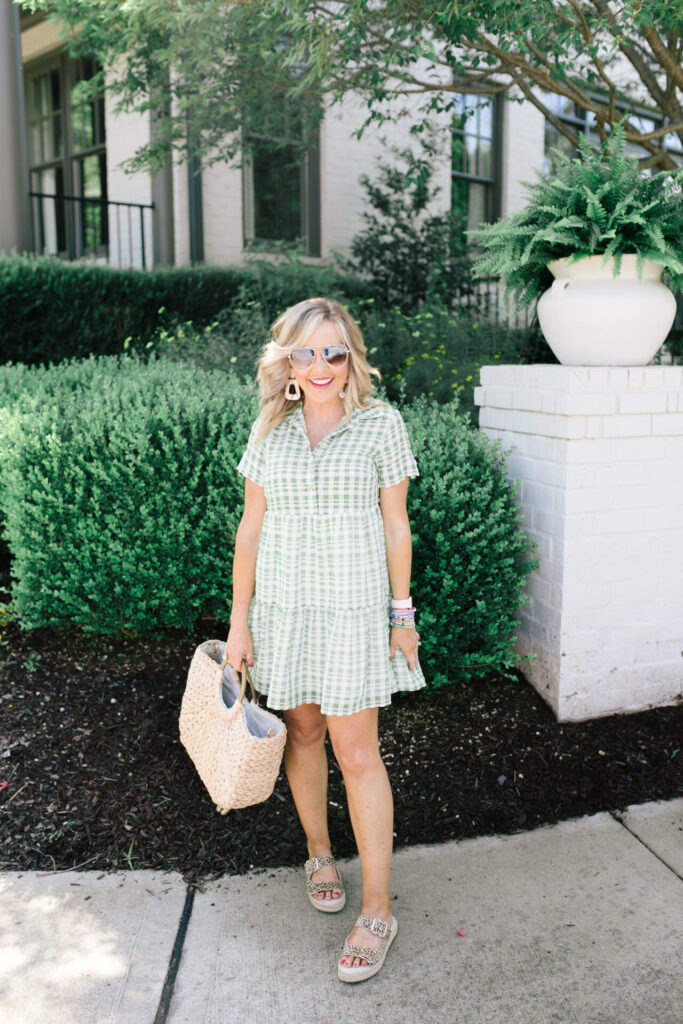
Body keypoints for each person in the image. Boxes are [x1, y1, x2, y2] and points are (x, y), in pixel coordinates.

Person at [225, 296, 425, 983]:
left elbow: (396, 525)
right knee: (304, 735)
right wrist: (239, 623)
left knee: (357, 752)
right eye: (305, 352)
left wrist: (402, 615)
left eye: (333, 351)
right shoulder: (270, 429)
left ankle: (378, 911)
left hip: (352, 614)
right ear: (286, 361)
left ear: (350, 359)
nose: (320, 366)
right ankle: (318, 854)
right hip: (284, 614)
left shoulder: (380, 424)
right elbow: (250, 529)